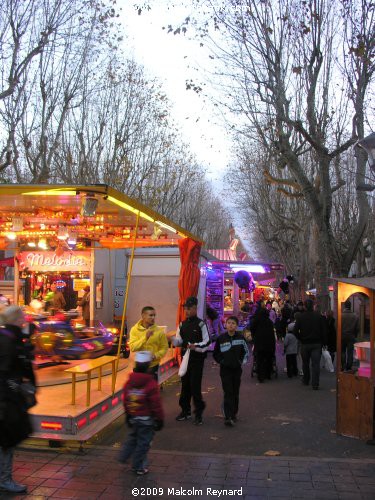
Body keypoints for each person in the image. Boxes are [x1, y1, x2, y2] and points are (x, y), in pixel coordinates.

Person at [0, 306, 36, 493]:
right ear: (16, 319)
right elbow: (6, 370)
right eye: (22, 317)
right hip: (6, 399)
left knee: (7, 438)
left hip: (7, 396)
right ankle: (5, 479)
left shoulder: (9, 338)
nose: (25, 320)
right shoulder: (9, 341)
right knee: (8, 438)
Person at [118, 351, 164, 475]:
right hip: (147, 420)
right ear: (148, 366)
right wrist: (160, 419)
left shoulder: (129, 382)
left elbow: (126, 399)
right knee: (144, 443)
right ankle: (138, 466)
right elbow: (155, 404)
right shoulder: (151, 383)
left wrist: (128, 414)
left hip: (133, 416)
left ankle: (124, 455)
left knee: (133, 438)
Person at [172, 296, 210, 425]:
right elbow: (179, 341)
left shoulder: (201, 324)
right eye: (185, 309)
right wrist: (172, 340)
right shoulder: (182, 325)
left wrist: (196, 346)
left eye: (189, 309)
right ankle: (185, 411)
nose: (187, 311)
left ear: (195, 308)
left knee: (195, 387)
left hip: (197, 360)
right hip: (185, 359)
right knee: (185, 386)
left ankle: (198, 413)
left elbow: (207, 342)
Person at [213, 316, 249, 426]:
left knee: (235, 391)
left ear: (236, 326)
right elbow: (216, 354)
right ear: (225, 325)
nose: (231, 325)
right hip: (225, 370)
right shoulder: (221, 338)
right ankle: (228, 416)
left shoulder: (241, 338)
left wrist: (240, 362)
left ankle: (234, 413)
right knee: (228, 391)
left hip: (237, 370)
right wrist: (222, 361)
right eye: (229, 323)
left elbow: (246, 352)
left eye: (233, 323)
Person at [293, 299, 326, 390]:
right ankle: (315, 384)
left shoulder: (300, 317)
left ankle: (306, 380)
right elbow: (323, 331)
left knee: (305, 363)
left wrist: (300, 338)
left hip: (305, 343)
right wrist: (323, 342)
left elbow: (295, 331)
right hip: (316, 343)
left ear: (305, 306)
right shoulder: (318, 316)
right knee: (316, 364)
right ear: (313, 306)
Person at [129, 306, 168, 381]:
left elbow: (164, 348)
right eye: (150, 315)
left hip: (153, 366)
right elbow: (133, 348)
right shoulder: (134, 330)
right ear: (143, 315)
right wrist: (145, 338)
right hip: (139, 366)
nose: (153, 317)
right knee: (139, 390)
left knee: (151, 390)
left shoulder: (159, 331)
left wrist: (155, 356)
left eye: (154, 315)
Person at [251, 307, 276, 382]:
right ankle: (268, 374)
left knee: (260, 359)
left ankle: (260, 376)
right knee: (268, 359)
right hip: (269, 344)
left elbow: (252, 329)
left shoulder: (256, 321)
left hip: (259, 343)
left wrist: (254, 337)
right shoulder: (269, 321)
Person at [341, 301, 359, 372]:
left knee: (342, 351)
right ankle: (349, 366)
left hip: (342, 336)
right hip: (351, 336)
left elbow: (336, 326)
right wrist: (355, 334)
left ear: (345, 306)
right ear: (350, 306)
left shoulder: (341, 315)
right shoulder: (355, 316)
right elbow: (357, 328)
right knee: (350, 352)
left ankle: (343, 366)